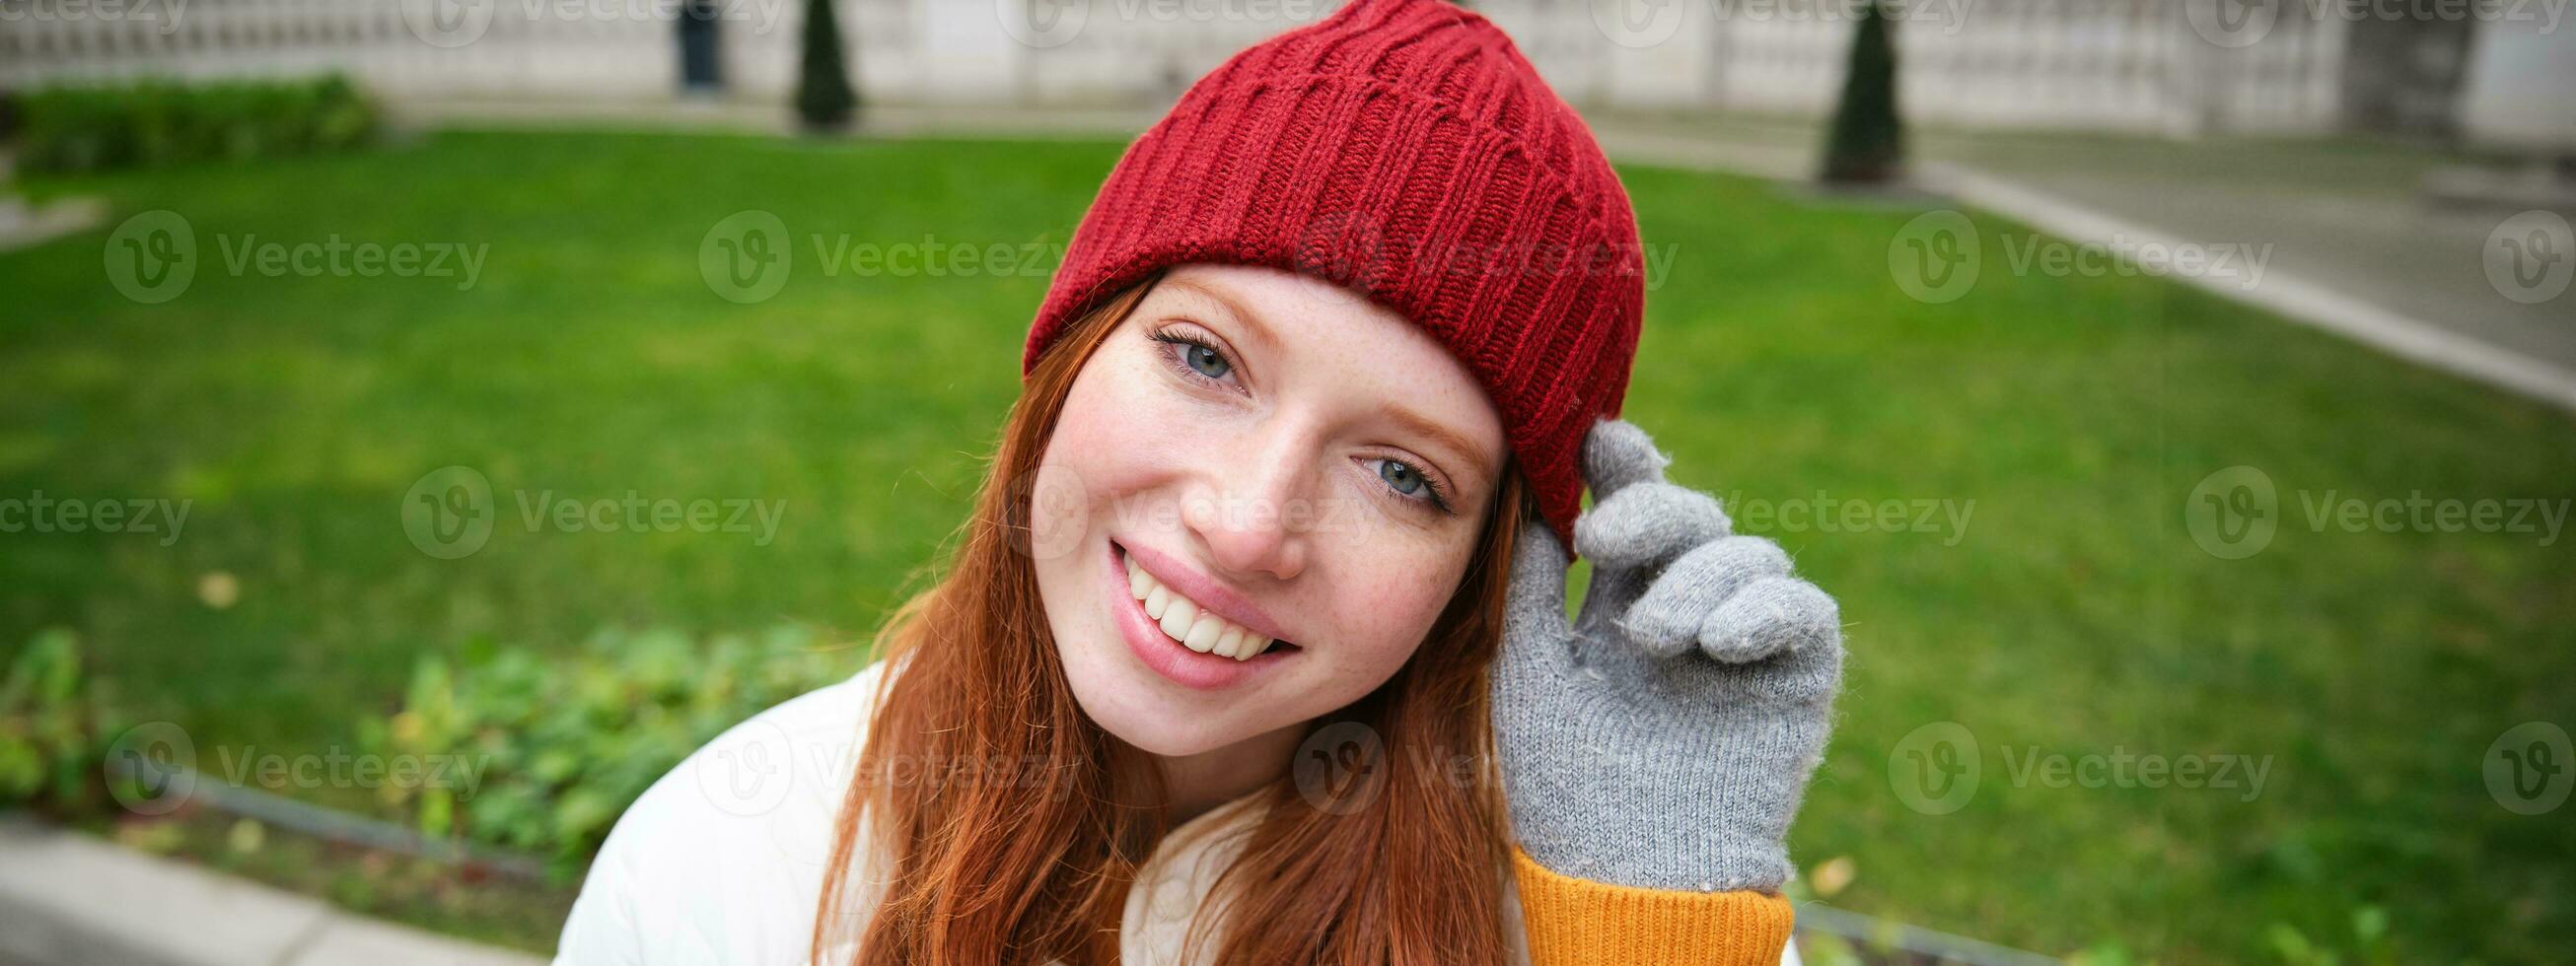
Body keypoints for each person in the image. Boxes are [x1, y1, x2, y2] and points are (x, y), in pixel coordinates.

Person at [556, 0, 1843, 961]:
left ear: (1501, 567)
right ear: (1071, 354)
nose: (1243, 526)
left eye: (1403, 474)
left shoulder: (1620, 903)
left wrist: (1651, 935)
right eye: (1203, 357)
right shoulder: (721, 874)